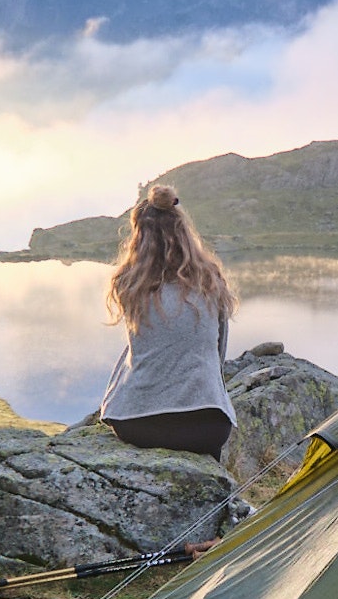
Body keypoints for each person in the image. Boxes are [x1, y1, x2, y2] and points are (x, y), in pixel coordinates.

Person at [99, 183, 237, 460]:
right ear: (184, 232)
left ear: (138, 238)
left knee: (133, 351)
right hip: (208, 426)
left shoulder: (129, 284)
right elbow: (217, 357)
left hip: (137, 423)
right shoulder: (211, 281)